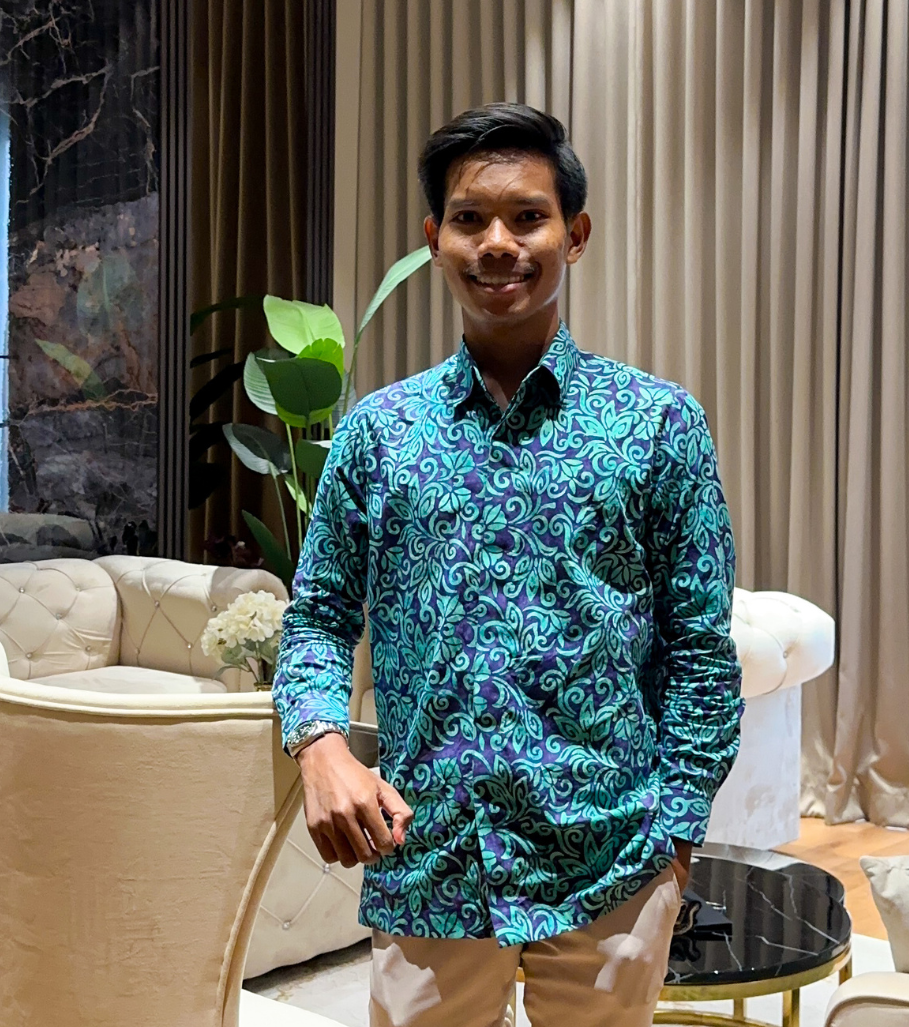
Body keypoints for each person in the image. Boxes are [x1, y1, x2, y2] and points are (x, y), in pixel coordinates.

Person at [274, 103, 743, 1027]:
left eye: (528, 217)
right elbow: (318, 617)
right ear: (434, 240)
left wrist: (677, 836)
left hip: (613, 857)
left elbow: (700, 650)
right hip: (430, 854)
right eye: (470, 219)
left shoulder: (656, 424)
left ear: (576, 235)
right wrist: (319, 742)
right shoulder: (379, 433)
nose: (498, 243)